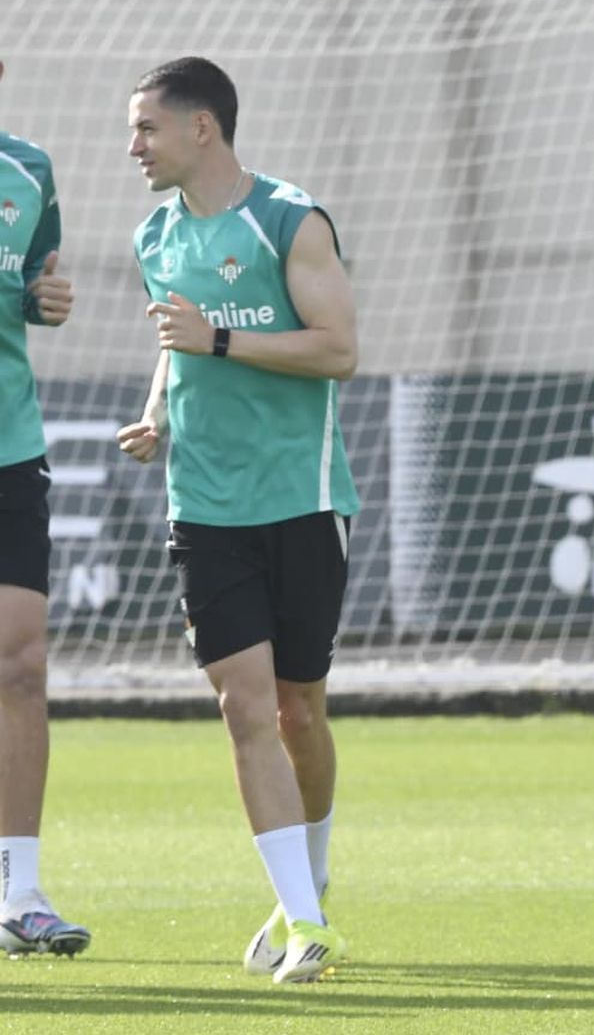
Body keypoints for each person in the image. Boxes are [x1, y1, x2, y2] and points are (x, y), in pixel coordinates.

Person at [115, 56, 361, 981]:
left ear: (200, 129)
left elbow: (338, 350)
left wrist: (219, 339)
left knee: (300, 710)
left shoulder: (291, 219)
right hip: (205, 510)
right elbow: (173, 341)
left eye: (145, 128)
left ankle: (315, 879)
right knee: (243, 707)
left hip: (304, 500)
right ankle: (306, 921)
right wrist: (159, 410)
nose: (132, 145)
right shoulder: (154, 235)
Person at [0, 57, 89, 958]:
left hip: (9, 449)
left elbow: (35, 290)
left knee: (21, 667)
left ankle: (19, 892)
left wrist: (45, 301)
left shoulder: (28, 171)